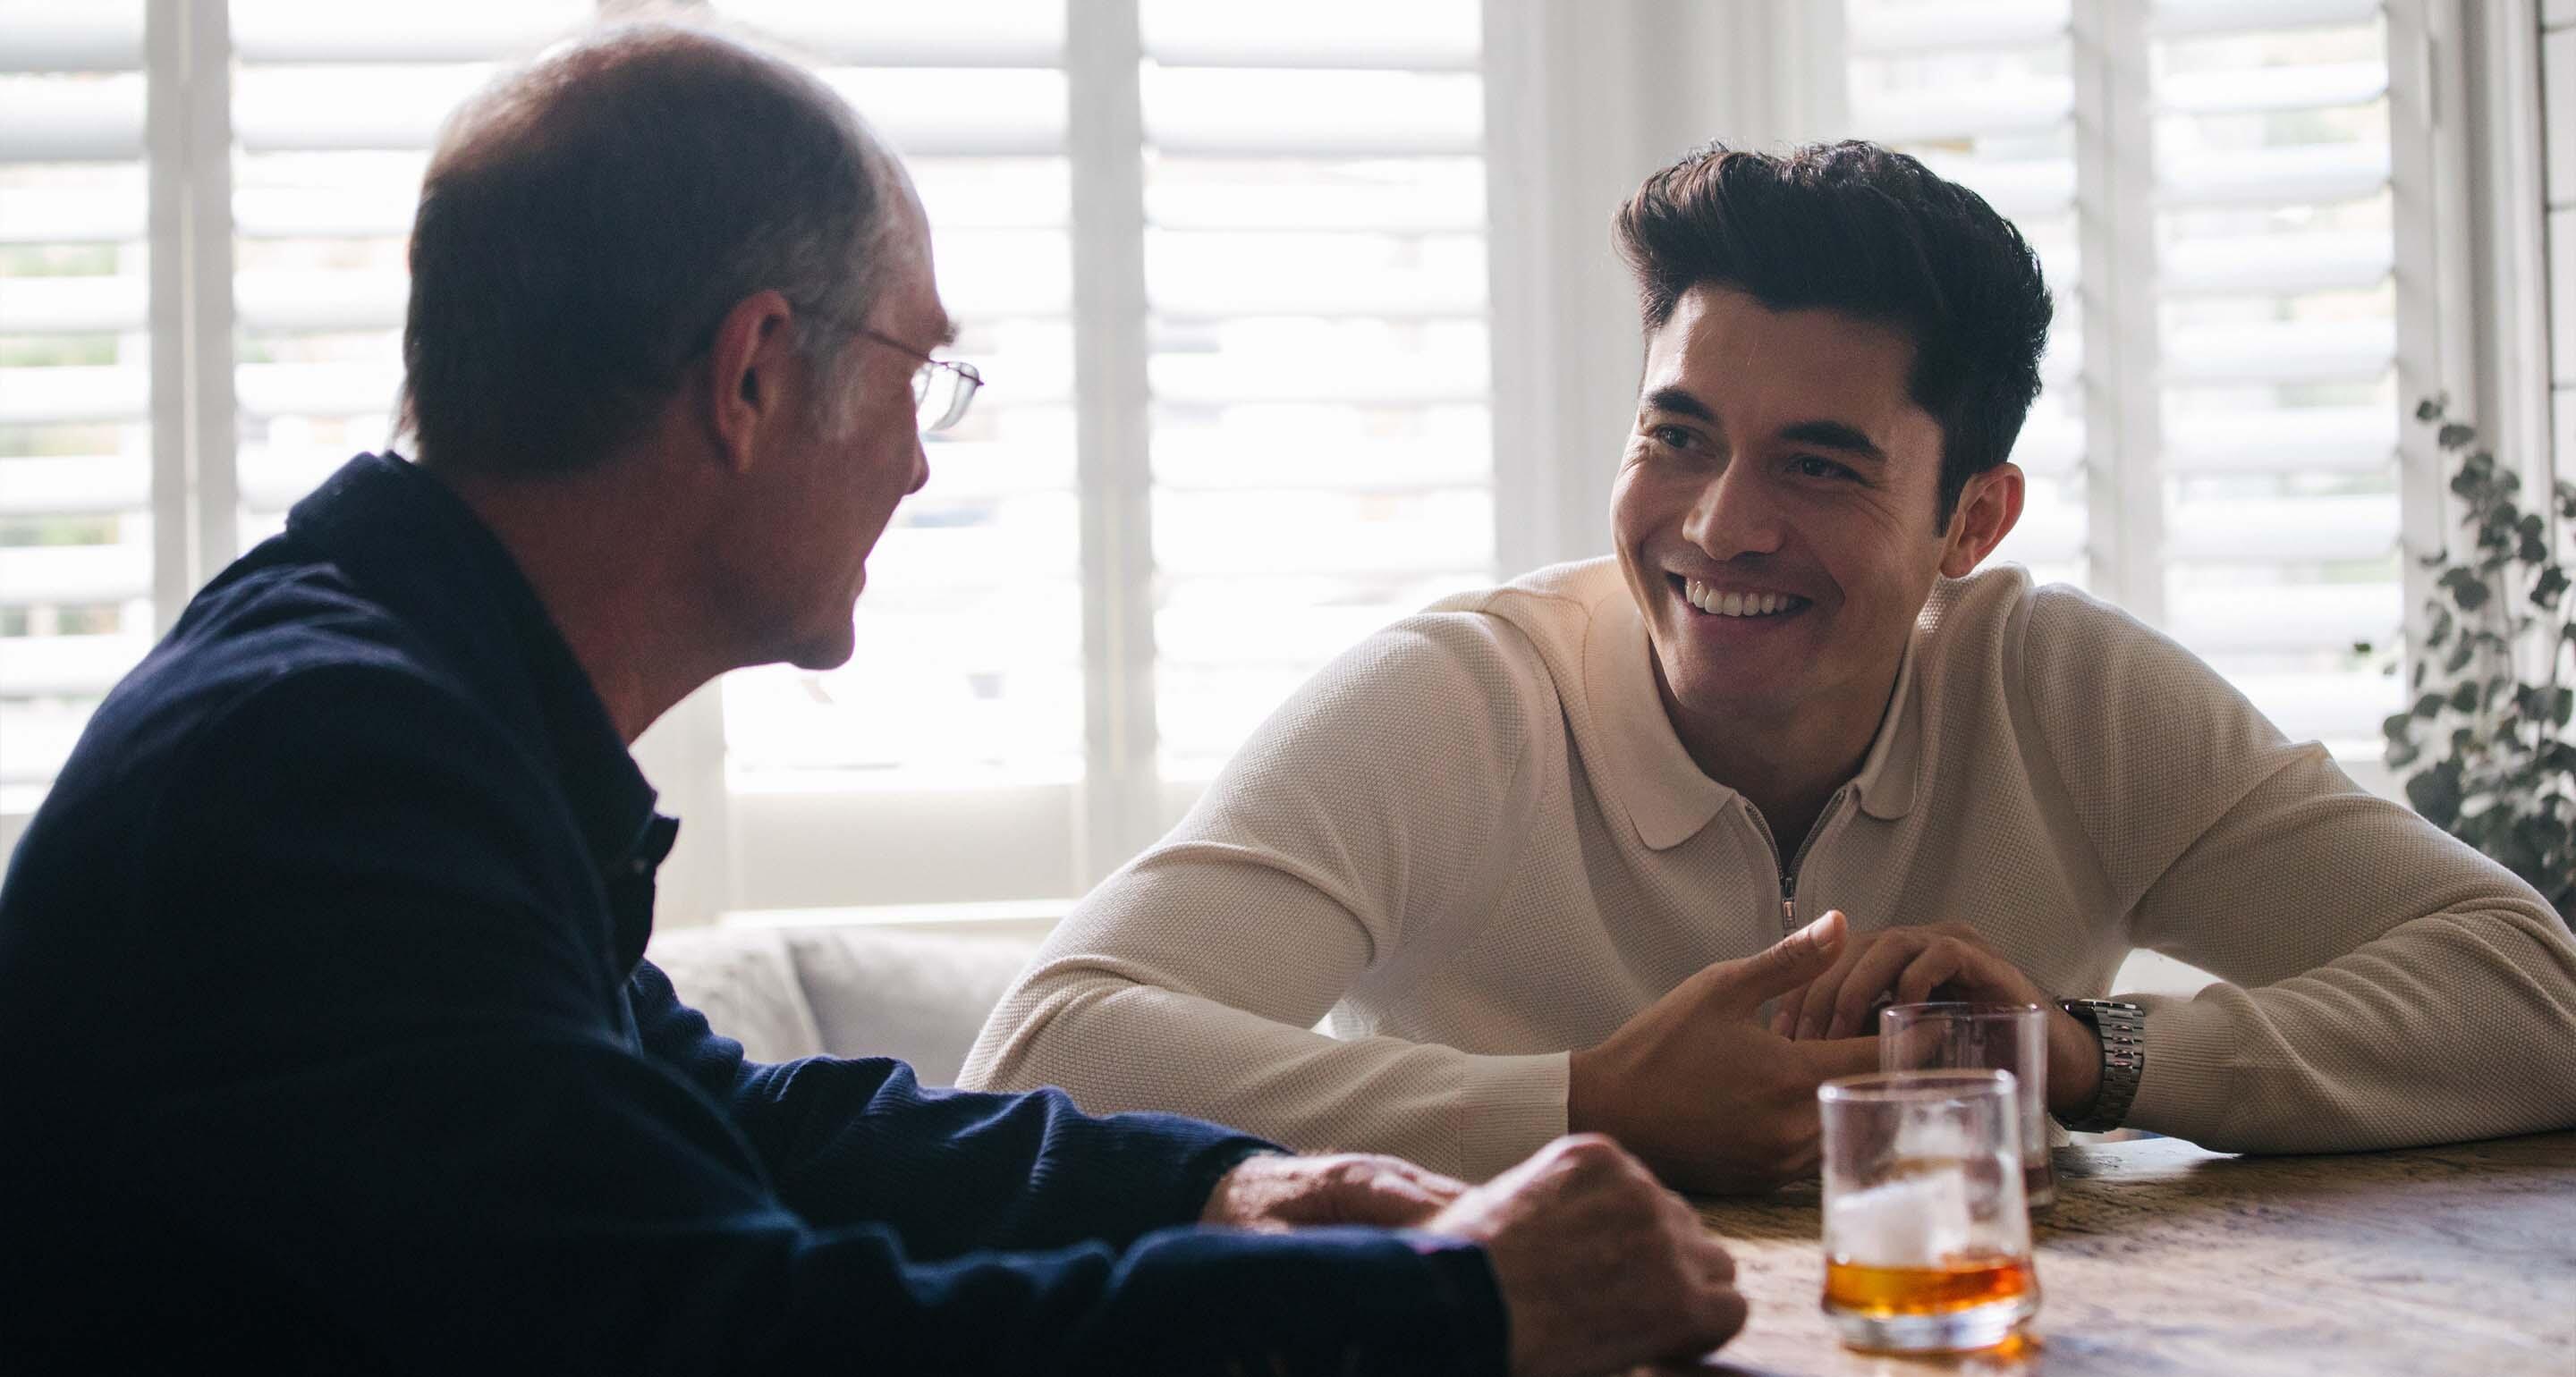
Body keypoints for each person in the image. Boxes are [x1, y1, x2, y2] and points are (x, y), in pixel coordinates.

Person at [0, 24, 1755, 1375]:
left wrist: (1220, 1185)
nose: (922, 460)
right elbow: (736, 1337)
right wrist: (1443, 1307)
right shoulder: (329, 776)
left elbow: (730, 1123)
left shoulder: (401, 702)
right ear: (754, 374)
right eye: (921, 368)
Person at [962, 140, 2576, 1192]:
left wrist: (2085, 1054)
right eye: (1677, 436)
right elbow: (1041, 1054)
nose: (1719, 527)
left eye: (1817, 464)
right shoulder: (1453, 704)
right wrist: (1587, 1104)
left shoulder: (2066, 695)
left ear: (1972, 521)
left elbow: (2533, 992)